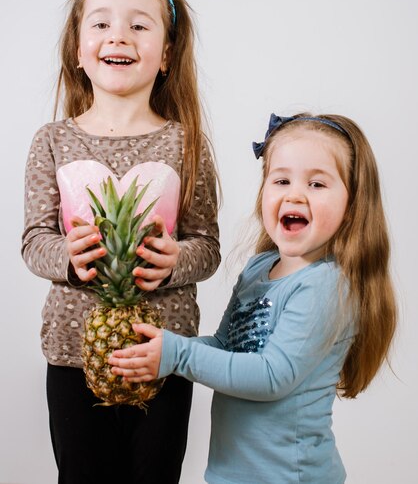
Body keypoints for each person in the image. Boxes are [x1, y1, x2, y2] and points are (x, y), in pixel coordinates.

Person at [109, 112, 397, 484]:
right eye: (281, 180)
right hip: (231, 474)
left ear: (352, 203)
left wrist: (177, 354)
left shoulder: (328, 286)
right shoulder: (260, 268)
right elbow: (226, 347)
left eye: (317, 184)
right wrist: (161, 349)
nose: (295, 193)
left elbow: (270, 377)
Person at [21, 0, 221, 484]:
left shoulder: (186, 143)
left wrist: (178, 261)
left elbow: (207, 244)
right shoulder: (52, 141)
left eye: (139, 25)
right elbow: (34, 239)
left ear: (167, 55)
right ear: (78, 49)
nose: (119, 36)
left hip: (164, 351)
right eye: (102, 23)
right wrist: (67, 256)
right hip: (72, 352)